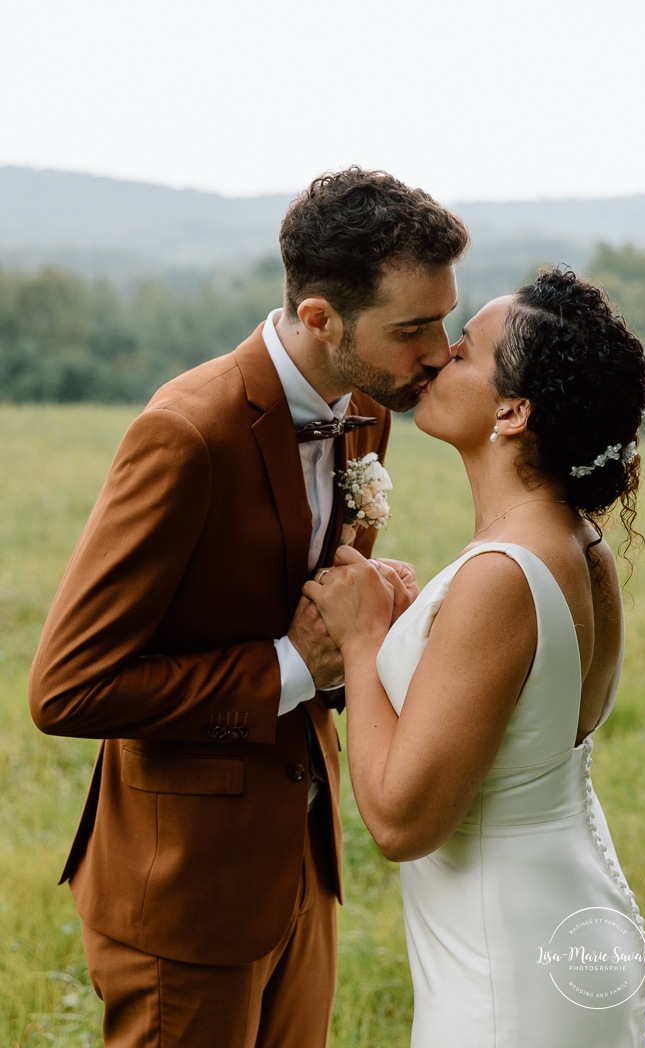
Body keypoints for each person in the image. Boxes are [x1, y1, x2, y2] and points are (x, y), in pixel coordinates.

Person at [28, 167, 469, 1048]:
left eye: (446, 320)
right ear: (319, 319)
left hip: (303, 861)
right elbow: (67, 689)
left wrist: (372, 631)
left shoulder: (363, 411)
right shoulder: (188, 433)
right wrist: (297, 664)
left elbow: (318, 614)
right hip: (183, 891)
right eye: (414, 329)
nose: (439, 351)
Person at [305, 268, 645, 1047]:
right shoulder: (578, 546)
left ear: (513, 410)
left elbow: (399, 822)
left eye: (462, 354)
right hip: (561, 916)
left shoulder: (500, 575)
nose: (436, 360)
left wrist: (363, 643)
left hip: (506, 963)